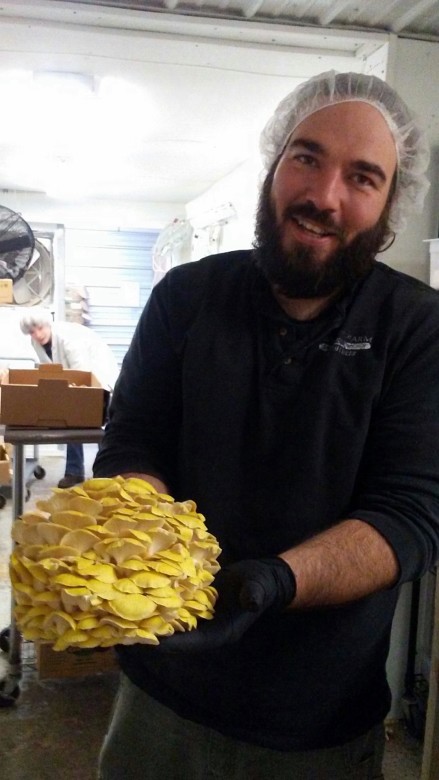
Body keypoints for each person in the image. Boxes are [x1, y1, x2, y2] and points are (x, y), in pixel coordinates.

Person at [93, 70, 439, 779]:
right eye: (306, 157)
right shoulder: (186, 297)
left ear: (390, 206)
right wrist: (159, 552)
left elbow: (411, 513)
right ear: (274, 163)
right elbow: (132, 440)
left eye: (362, 176)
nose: (322, 196)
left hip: (314, 724)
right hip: (161, 693)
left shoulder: (417, 328)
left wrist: (274, 582)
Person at [20, 310, 119, 488]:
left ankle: (108, 472)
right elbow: (52, 370)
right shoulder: (37, 342)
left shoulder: (67, 337)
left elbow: (80, 372)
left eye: (40, 328)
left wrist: (71, 395)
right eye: (32, 332)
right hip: (78, 376)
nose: (37, 334)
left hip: (98, 372)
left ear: (47, 324)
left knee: (103, 425)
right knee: (73, 421)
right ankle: (74, 472)